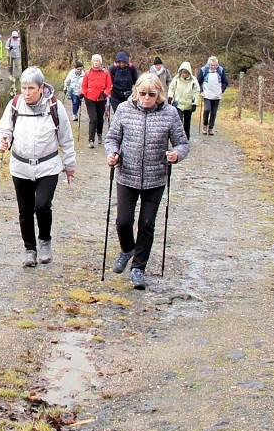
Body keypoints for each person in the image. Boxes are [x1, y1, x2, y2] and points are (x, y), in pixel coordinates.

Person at [105, 72, 188, 290]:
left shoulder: (170, 114)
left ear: (159, 93)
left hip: (155, 178)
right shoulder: (123, 109)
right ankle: (127, 249)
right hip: (127, 175)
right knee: (123, 221)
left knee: (147, 224)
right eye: (142, 93)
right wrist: (112, 153)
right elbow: (112, 138)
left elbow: (182, 143)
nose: (146, 98)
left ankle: (138, 268)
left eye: (151, 94)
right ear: (136, 92)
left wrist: (176, 155)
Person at [0, 67, 77, 267]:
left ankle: (45, 241)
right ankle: (30, 249)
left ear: (41, 88)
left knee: (42, 205)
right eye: (24, 88)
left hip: (48, 166)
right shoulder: (14, 105)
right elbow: (4, 129)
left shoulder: (55, 107)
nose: (27, 92)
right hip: (20, 166)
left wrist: (69, 164)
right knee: (25, 210)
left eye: (31, 88)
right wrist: (1, 141)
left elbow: (66, 138)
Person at [80, 54, 112, 147]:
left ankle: (99, 133)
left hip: (101, 98)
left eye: (98, 61)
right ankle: (91, 140)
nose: (96, 62)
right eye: (94, 61)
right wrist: (82, 93)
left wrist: (105, 93)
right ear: (92, 62)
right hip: (90, 98)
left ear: (100, 62)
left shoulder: (105, 73)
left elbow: (109, 86)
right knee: (93, 119)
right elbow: (84, 86)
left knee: (100, 119)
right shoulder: (87, 73)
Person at [198, 54, 230, 136]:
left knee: (214, 112)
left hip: (217, 94)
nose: (214, 67)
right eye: (212, 65)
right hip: (207, 93)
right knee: (207, 109)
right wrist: (201, 91)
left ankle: (210, 128)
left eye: (215, 65)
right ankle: (205, 125)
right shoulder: (204, 70)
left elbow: (225, 82)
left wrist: (221, 90)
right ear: (209, 64)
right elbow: (198, 81)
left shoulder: (221, 70)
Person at [169, 62, 199, 144]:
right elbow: (171, 88)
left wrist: (195, 103)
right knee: (179, 123)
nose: (185, 74)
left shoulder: (193, 80)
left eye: (186, 73)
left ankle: (186, 139)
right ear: (181, 72)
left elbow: (196, 92)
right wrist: (170, 97)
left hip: (189, 104)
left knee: (187, 124)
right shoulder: (176, 79)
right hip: (178, 103)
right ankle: (178, 139)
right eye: (183, 72)